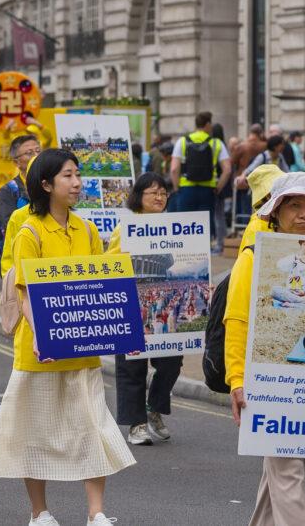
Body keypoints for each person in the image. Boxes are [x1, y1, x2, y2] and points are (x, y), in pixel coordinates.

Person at [0, 148, 134, 526]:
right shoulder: (28, 231)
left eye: (78, 174)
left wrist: (122, 332)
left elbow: (98, 288)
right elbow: (25, 293)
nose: (77, 182)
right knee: (33, 431)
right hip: (39, 352)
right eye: (68, 176)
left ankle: (96, 511)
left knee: (93, 428)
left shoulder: (87, 229)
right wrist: (42, 337)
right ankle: (39, 512)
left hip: (81, 351)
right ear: (46, 184)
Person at [225, 172, 305, 525]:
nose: (304, 214)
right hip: (269, 378)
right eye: (294, 205)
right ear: (276, 211)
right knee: (288, 470)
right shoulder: (256, 252)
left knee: (282, 469)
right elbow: (237, 318)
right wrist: (237, 378)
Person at [105, 173, 183, 447]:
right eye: (153, 193)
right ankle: (136, 423)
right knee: (132, 366)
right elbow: (111, 262)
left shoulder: (172, 226)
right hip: (131, 302)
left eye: (163, 192)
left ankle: (154, 408)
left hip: (162, 301)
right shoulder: (125, 228)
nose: (160, 197)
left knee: (172, 361)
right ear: (139, 196)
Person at [169, 113, 230, 238]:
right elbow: (227, 170)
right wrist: (218, 188)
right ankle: (203, 254)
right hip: (207, 190)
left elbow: (174, 169)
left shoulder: (182, 141)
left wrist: (177, 188)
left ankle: (184, 253)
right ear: (207, 124)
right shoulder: (216, 143)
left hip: (186, 189)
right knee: (204, 228)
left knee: (184, 227)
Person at [0, 134, 41, 266]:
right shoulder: (8, 192)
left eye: (38, 151)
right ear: (16, 162)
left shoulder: (51, 185)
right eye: (29, 153)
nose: (36, 156)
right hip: (19, 260)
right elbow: (11, 227)